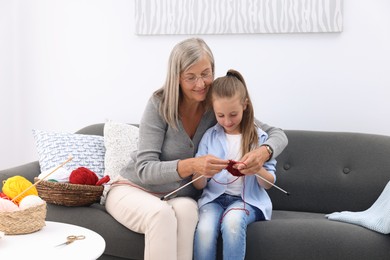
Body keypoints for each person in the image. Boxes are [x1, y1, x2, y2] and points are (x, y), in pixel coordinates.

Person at [105, 38, 287, 260]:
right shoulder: (159, 104)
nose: (201, 84)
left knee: (190, 213)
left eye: (205, 74)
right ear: (177, 78)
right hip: (134, 188)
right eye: (191, 77)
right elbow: (144, 168)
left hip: (177, 197)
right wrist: (192, 165)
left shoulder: (219, 108)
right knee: (161, 216)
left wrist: (262, 153)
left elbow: (278, 135)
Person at [192, 69, 277, 260]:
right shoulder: (210, 137)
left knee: (233, 222)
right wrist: (201, 172)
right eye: (220, 115)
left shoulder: (260, 139)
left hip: (247, 201)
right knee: (204, 229)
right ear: (213, 110)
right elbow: (199, 185)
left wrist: (257, 169)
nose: (227, 121)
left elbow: (269, 183)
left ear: (245, 105)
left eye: (233, 114)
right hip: (213, 200)